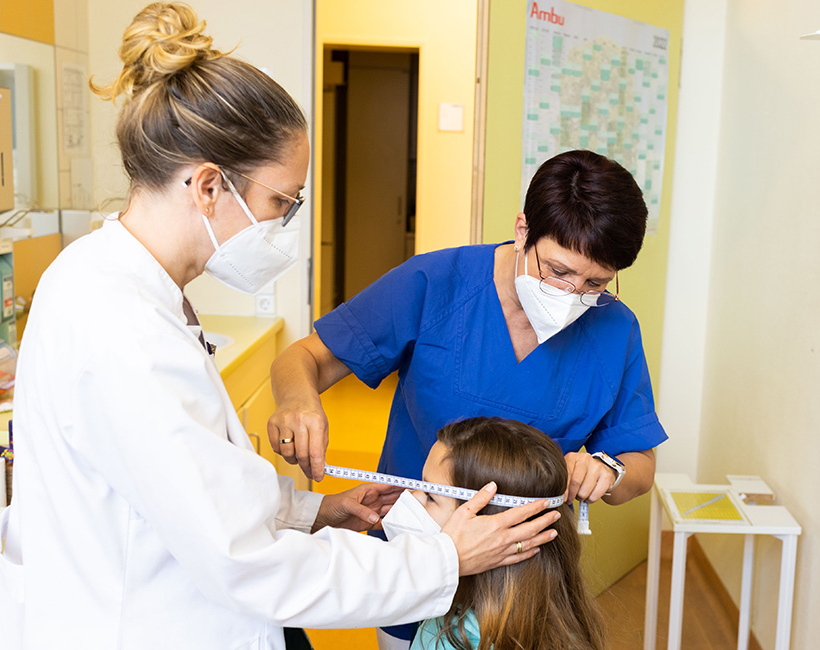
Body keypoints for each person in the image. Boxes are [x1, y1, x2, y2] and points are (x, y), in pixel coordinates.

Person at [0, 4, 559, 649]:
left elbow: (196, 481)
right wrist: (444, 560)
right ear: (208, 186)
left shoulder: (111, 279)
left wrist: (309, 509)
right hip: (144, 621)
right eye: (280, 202)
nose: (284, 225)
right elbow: (242, 561)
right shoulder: (122, 330)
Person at [269, 148, 668, 648]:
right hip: (418, 558)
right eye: (558, 271)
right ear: (523, 230)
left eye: (595, 283)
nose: (572, 295)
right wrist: (297, 401)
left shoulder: (614, 327)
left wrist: (609, 471)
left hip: (521, 586)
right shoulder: (437, 282)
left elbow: (640, 464)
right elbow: (304, 358)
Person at [408, 417, 605, 650]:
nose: (412, 497)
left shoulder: (444, 638)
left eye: (431, 496)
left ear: (489, 528)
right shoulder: (564, 625)